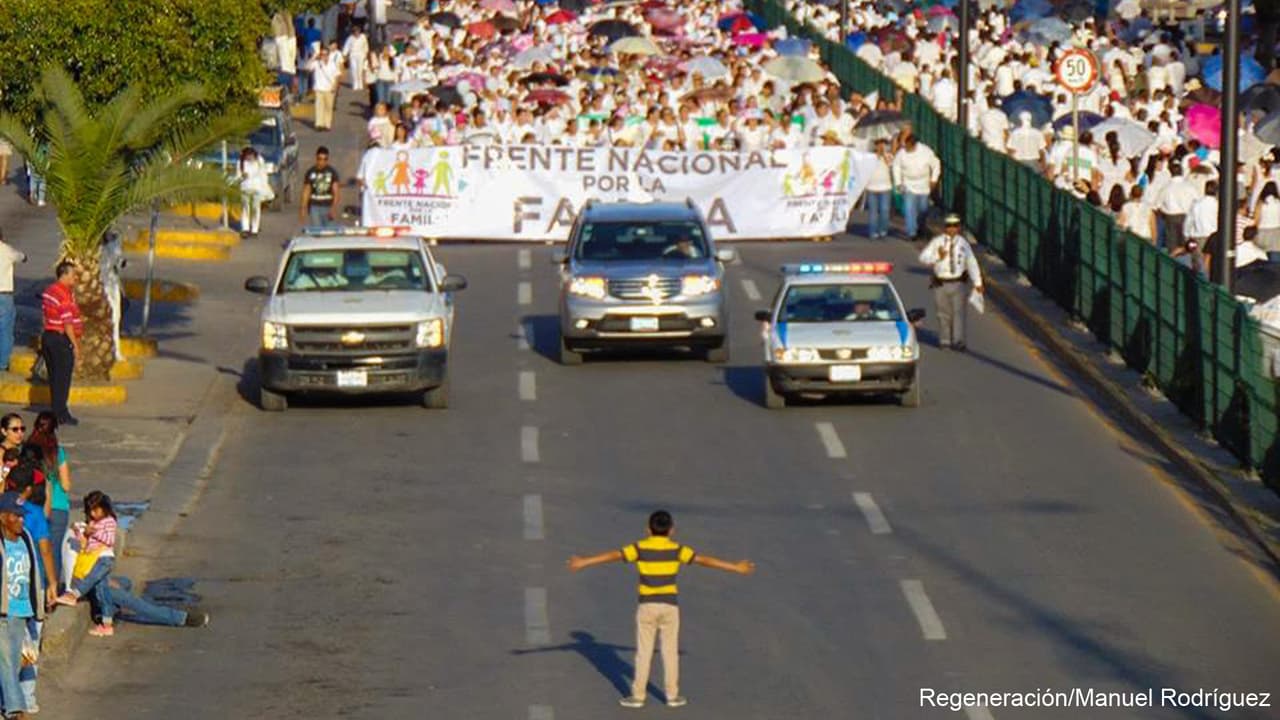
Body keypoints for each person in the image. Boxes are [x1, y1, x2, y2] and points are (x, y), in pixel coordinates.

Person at [567, 510, 755, 709]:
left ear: (648, 529)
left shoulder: (639, 548)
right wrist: (735, 567)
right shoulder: (677, 550)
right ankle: (672, 696)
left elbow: (614, 555)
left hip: (647, 606)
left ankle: (638, 697)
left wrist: (584, 562)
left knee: (643, 652)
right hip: (669, 607)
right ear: (672, 530)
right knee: (670, 651)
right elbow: (704, 560)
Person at [0, 491, 45, 720]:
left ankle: (5, 703)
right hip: (3, 612)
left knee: (16, 661)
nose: (20, 520)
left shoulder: (26, 537)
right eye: (15, 516)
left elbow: (34, 570)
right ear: (3, 517)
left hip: (23, 610)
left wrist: (39, 606)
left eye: (22, 516)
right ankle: (15, 709)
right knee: (6, 661)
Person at [918, 213, 983, 351]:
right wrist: (937, 256)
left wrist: (977, 282)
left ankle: (958, 340)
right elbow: (923, 258)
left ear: (958, 227)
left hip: (958, 282)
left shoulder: (963, 243)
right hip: (941, 282)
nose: (952, 229)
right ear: (945, 227)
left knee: (958, 312)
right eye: (949, 226)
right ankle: (945, 340)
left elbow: (971, 262)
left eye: (955, 226)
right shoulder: (937, 242)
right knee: (943, 312)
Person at [56, 491, 116, 637]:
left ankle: (74, 594)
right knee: (102, 593)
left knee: (89, 579)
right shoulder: (93, 522)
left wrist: (93, 532)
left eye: (96, 510)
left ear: (104, 508)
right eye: (91, 511)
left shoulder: (109, 522)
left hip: (104, 558)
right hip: (93, 558)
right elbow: (86, 543)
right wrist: (80, 532)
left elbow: (109, 540)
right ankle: (107, 624)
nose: (93, 514)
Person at [25, 413, 69, 587]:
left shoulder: (28, 451)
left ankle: (39, 589)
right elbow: (66, 485)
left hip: (34, 506)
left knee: (36, 550)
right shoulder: (58, 452)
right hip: (59, 507)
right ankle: (53, 592)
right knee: (54, 551)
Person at [39, 262, 81, 427]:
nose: (75, 278)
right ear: (63, 275)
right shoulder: (63, 294)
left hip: (48, 336)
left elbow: (44, 316)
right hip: (60, 339)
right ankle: (61, 413)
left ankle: (56, 411)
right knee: (62, 379)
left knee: (54, 378)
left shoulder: (49, 291)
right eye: (73, 275)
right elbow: (67, 323)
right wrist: (75, 345)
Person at [892, 132, 941, 239]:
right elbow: (896, 166)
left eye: (908, 146)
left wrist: (934, 180)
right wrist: (898, 183)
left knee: (923, 209)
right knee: (909, 208)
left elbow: (936, 164)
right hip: (908, 184)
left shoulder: (926, 152)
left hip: (923, 185)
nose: (906, 148)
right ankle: (911, 232)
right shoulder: (901, 153)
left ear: (914, 144)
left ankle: (921, 227)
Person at [0, 231, 27, 372]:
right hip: (4, 295)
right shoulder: (7, 250)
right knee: (5, 330)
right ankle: (3, 364)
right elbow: (22, 257)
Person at [300, 147, 341, 228]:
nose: (322, 162)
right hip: (314, 207)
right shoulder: (311, 172)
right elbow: (306, 192)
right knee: (317, 233)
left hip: (328, 207)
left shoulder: (332, 172)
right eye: (320, 159)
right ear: (316, 158)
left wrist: (333, 208)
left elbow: (336, 192)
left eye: (325, 159)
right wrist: (302, 209)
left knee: (329, 233)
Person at [237, 148, 273, 238]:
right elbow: (237, 177)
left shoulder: (259, 161)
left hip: (257, 189)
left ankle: (254, 229)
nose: (249, 158)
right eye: (247, 156)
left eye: (251, 156)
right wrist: (242, 176)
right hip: (245, 188)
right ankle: (245, 229)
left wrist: (265, 189)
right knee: (245, 208)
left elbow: (263, 175)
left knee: (255, 209)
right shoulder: (240, 163)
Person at [864, 138, 893, 238]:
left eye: (883, 144)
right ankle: (873, 231)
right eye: (878, 144)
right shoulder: (869, 157)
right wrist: (876, 155)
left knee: (884, 210)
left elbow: (890, 165)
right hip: (871, 187)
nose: (880, 146)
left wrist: (883, 154)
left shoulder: (888, 156)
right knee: (873, 211)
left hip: (885, 187)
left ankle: (883, 229)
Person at [308, 44, 341, 131]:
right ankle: (319, 124)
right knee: (319, 107)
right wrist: (314, 57)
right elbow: (308, 67)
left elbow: (337, 76)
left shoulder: (332, 64)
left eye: (325, 54)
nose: (323, 56)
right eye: (322, 54)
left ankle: (327, 124)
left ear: (328, 55)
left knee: (328, 107)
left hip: (329, 88)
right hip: (319, 88)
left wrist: (335, 86)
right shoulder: (316, 63)